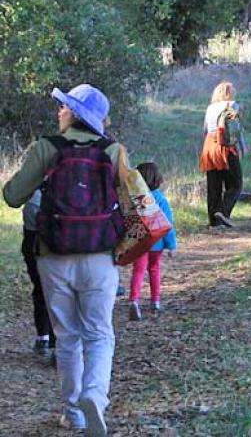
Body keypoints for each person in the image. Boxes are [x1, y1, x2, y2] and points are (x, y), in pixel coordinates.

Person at [3, 84, 127, 436]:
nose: (59, 112)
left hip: (54, 254)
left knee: (67, 336)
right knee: (100, 334)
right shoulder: (113, 151)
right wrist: (124, 247)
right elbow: (143, 205)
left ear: (75, 114)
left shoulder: (47, 147)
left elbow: (13, 196)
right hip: (100, 255)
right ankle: (95, 397)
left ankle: (73, 413)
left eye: (64, 107)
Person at [128, 163, 177, 322]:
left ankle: (134, 300)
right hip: (157, 242)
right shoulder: (160, 199)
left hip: (140, 242)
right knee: (154, 269)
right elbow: (167, 224)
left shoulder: (136, 199)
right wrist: (171, 245)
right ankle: (155, 300)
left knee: (139, 270)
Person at [199, 82, 246, 229]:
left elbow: (205, 130)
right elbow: (236, 129)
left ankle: (214, 222)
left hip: (209, 147)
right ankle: (223, 212)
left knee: (214, 186)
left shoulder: (210, 108)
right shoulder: (233, 105)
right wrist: (242, 147)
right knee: (236, 183)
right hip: (226, 147)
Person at [21, 188, 56, 365]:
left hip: (34, 243)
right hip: (60, 244)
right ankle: (60, 344)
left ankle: (43, 336)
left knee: (41, 291)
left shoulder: (34, 197)